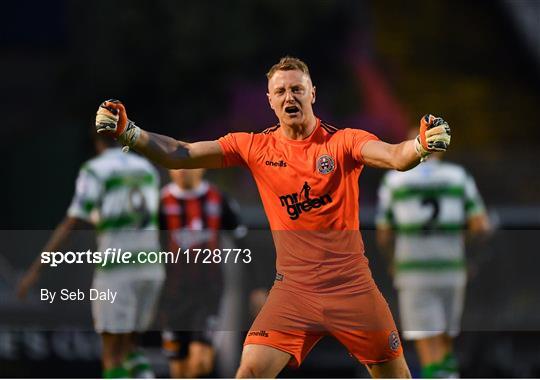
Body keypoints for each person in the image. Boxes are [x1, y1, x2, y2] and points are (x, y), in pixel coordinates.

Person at [94, 56, 451, 378]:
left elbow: (393, 155)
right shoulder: (255, 147)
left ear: (313, 93)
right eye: (280, 91)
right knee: (249, 372)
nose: (289, 97)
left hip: (352, 288)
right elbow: (183, 154)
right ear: (270, 100)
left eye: (297, 88)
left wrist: (419, 146)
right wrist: (131, 133)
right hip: (293, 291)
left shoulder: (342, 143)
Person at [17, 131, 165, 378]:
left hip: (119, 270)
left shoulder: (96, 169)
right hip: (151, 267)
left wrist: (35, 270)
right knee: (131, 349)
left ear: (97, 142)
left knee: (112, 354)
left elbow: (73, 222)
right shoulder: (146, 168)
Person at [375, 149, 490, 378]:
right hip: (451, 269)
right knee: (445, 344)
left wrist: (391, 261)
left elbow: (384, 234)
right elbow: (480, 225)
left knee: (428, 346)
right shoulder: (458, 176)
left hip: (414, 272)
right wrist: (465, 254)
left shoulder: (395, 180)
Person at [160, 168, 244, 378]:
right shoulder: (160, 202)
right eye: (176, 166)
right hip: (173, 295)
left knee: (200, 362)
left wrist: (260, 285)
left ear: (202, 168)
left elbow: (242, 242)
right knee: (178, 367)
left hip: (208, 292)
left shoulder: (218, 199)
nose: (182, 172)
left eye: (189, 165)